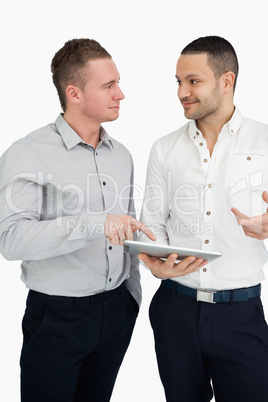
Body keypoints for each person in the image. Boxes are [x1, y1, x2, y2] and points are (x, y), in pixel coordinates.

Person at [0, 38, 155, 402]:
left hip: (116, 311)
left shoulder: (123, 155)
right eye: (108, 86)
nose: (121, 94)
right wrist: (92, 224)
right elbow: (10, 240)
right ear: (74, 93)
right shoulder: (27, 154)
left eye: (118, 82)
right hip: (57, 318)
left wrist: (132, 295)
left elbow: (125, 225)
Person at [138, 35, 268, 402]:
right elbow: (153, 225)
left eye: (193, 81)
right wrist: (156, 262)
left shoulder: (264, 141)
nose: (182, 92)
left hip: (241, 314)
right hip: (174, 311)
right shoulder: (164, 148)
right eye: (178, 82)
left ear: (227, 81)